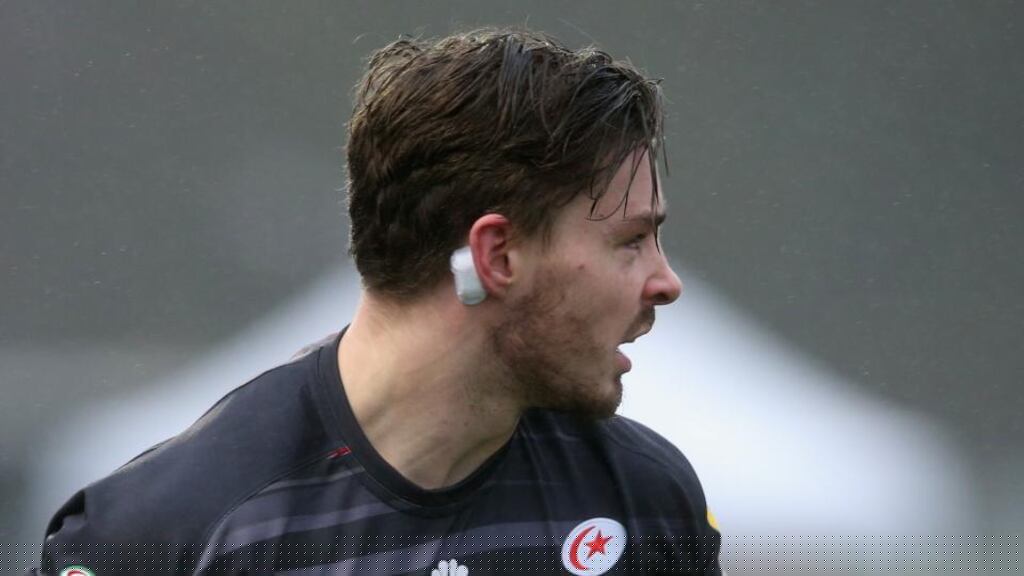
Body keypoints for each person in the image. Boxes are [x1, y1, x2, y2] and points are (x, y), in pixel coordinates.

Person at [30, 28, 722, 575]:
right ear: (497, 257)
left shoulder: (646, 501)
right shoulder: (165, 533)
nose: (666, 282)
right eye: (631, 241)